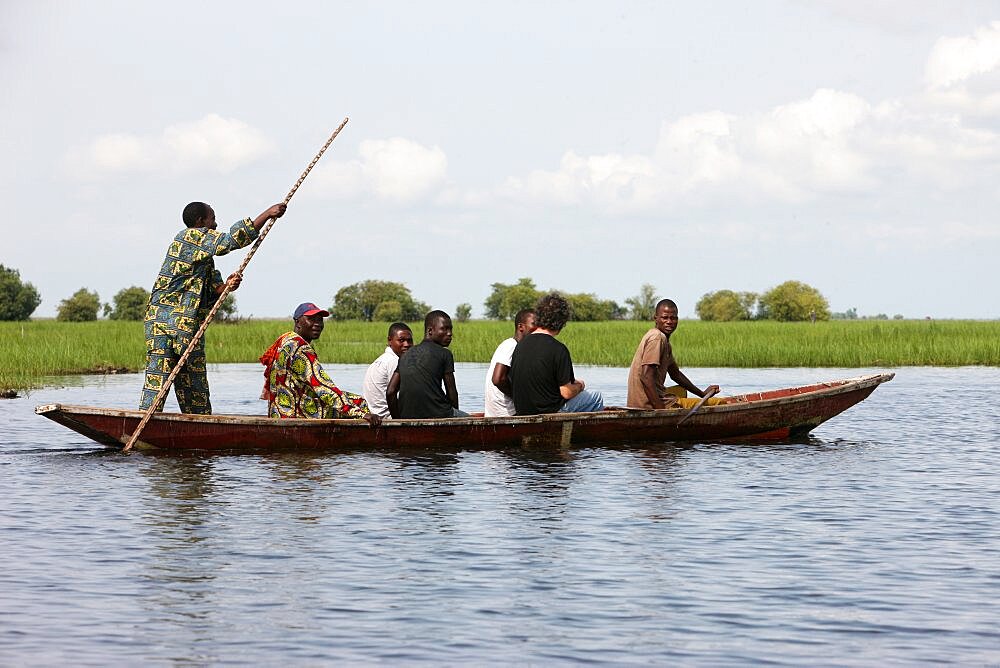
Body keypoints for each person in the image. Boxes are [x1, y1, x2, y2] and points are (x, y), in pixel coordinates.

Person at [140, 201, 286, 414]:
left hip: (188, 328)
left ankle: (198, 426)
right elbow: (231, 241)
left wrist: (227, 286)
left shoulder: (204, 261)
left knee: (195, 387)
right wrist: (267, 214)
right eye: (212, 219)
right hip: (163, 325)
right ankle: (146, 421)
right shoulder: (188, 237)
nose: (216, 224)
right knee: (157, 381)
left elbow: (211, 295)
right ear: (200, 222)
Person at [259, 302, 380, 426]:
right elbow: (323, 387)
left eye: (320, 320)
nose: (317, 324)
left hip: (279, 411)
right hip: (297, 414)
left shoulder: (285, 340)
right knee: (360, 402)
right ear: (297, 322)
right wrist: (361, 414)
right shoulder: (301, 348)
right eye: (311, 319)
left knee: (346, 399)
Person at [509, 293, 604, 415]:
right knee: (596, 396)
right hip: (549, 412)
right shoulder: (558, 349)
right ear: (562, 323)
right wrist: (580, 385)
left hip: (523, 411)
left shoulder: (520, 345)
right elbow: (566, 392)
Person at [626, 298, 725, 410]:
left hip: (646, 402)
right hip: (648, 405)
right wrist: (660, 411)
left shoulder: (664, 341)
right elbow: (646, 377)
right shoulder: (657, 338)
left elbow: (675, 374)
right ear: (656, 319)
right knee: (720, 403)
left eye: (673, 318)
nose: (669, 321)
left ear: (677, 320)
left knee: (680, 391)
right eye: (665, 317)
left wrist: (702, 394)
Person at [386, 310, 468, 418]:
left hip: (407, 416)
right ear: (430, 331)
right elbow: (451, 391)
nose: (449, 333)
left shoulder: (405, 355)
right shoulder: (445, 354)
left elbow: (390, 392)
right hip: (440, 414)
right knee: (469, 420)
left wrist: (397, 420)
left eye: (450, 329)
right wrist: (454, 421)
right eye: (444, 329)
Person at [484, 308, 537, 417]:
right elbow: (497, 379)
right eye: (534, 324)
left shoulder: (520, 347)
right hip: (505, 412)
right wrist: (519, 398)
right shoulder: (511, 345)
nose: (538, 329)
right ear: (521, 327)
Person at [362, 322, 414, 418]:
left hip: (375, 413)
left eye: (409, 341)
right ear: (390, 340)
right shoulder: (393, 361)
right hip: (386, 416)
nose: (406, 344)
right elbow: (396, 394)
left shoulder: (383, 359)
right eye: (401, 340)